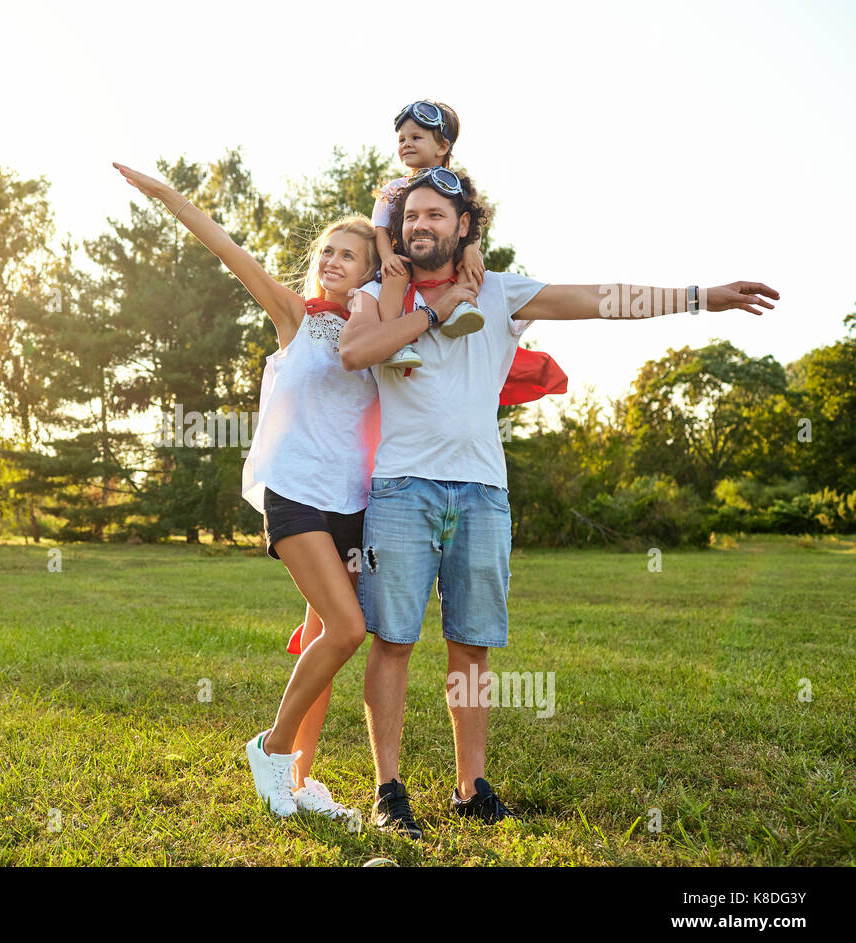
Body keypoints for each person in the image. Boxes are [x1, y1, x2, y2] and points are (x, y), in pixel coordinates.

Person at [338, 167, 778, 837]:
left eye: (436, 215)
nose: (421, 224)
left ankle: (470, 786)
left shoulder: (505, 294)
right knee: (394, 641)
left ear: (464, 228)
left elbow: (603, 298)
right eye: (412, 216)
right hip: (401, 489)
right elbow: (356, 352)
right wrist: (432, 310)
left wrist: (700, 297)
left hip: (483, 493)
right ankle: (388, 790)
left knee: (474, 645)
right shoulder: (375, 295)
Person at [112, 160, 379, 819]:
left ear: (375, 270)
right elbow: (228, 248)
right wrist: (168, 195)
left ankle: (297, 782)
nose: (335, 261)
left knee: (325, 635)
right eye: (329, 251)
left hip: (355, 503)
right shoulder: (297, 317)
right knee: (348, 630)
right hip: (295, 492)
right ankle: (271, 745)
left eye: (351, 254)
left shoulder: (380, 337)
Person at [373, 100, 485, 369]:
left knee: (472, 267)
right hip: (410, 256)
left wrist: (471, 251)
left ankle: (462, 308)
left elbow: (474, 225)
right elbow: (379, 228)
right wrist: (387, 256)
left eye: (415, 137)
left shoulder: (456, 185)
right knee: (394, 276)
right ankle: (396, 342)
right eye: (401, 139)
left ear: (443, 146)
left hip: (449, 253)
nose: (405, 145)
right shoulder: (395, 188)